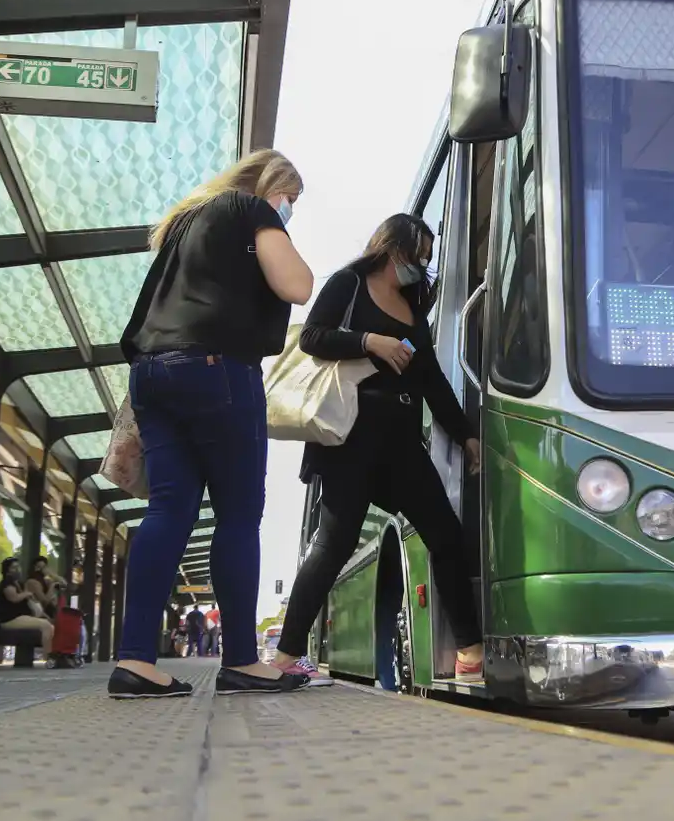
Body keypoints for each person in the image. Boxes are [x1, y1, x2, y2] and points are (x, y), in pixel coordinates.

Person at [109, 149, 315, 699]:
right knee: (239, 514)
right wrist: (276, 225)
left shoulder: (185, 222)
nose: (290, 208)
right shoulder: (251, 210)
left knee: (168, 510)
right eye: (291, 198)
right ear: (272, 186)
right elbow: (297, 285)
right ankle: (242, 660)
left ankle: (135, 661)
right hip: (216, 369)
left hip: (151, 374)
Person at [274, 214, 484, 686]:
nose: (422, 265)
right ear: (391, 248)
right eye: (417, 254)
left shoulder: (414, 306)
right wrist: (370, 341)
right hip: (350, 434)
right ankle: (286, 657)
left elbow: (431, 378)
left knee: (445, 534)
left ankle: (470, 653)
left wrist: (465, 433)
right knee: (335, 543)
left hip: (402, 439)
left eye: (427, 257)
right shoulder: (348, 283)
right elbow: (312, 337)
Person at [0, 557, 53, 650]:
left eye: (18, 567)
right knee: (46, 626)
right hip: (9, 619)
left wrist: (43, 614)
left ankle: (51, 654)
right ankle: (48, 656)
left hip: (21, 617)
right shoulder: (6, 583)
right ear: (7, 571)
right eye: (14, 568)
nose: (17, 570)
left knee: (49, 625)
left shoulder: (19, 584)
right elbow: (14, 598)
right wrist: (26, 593)